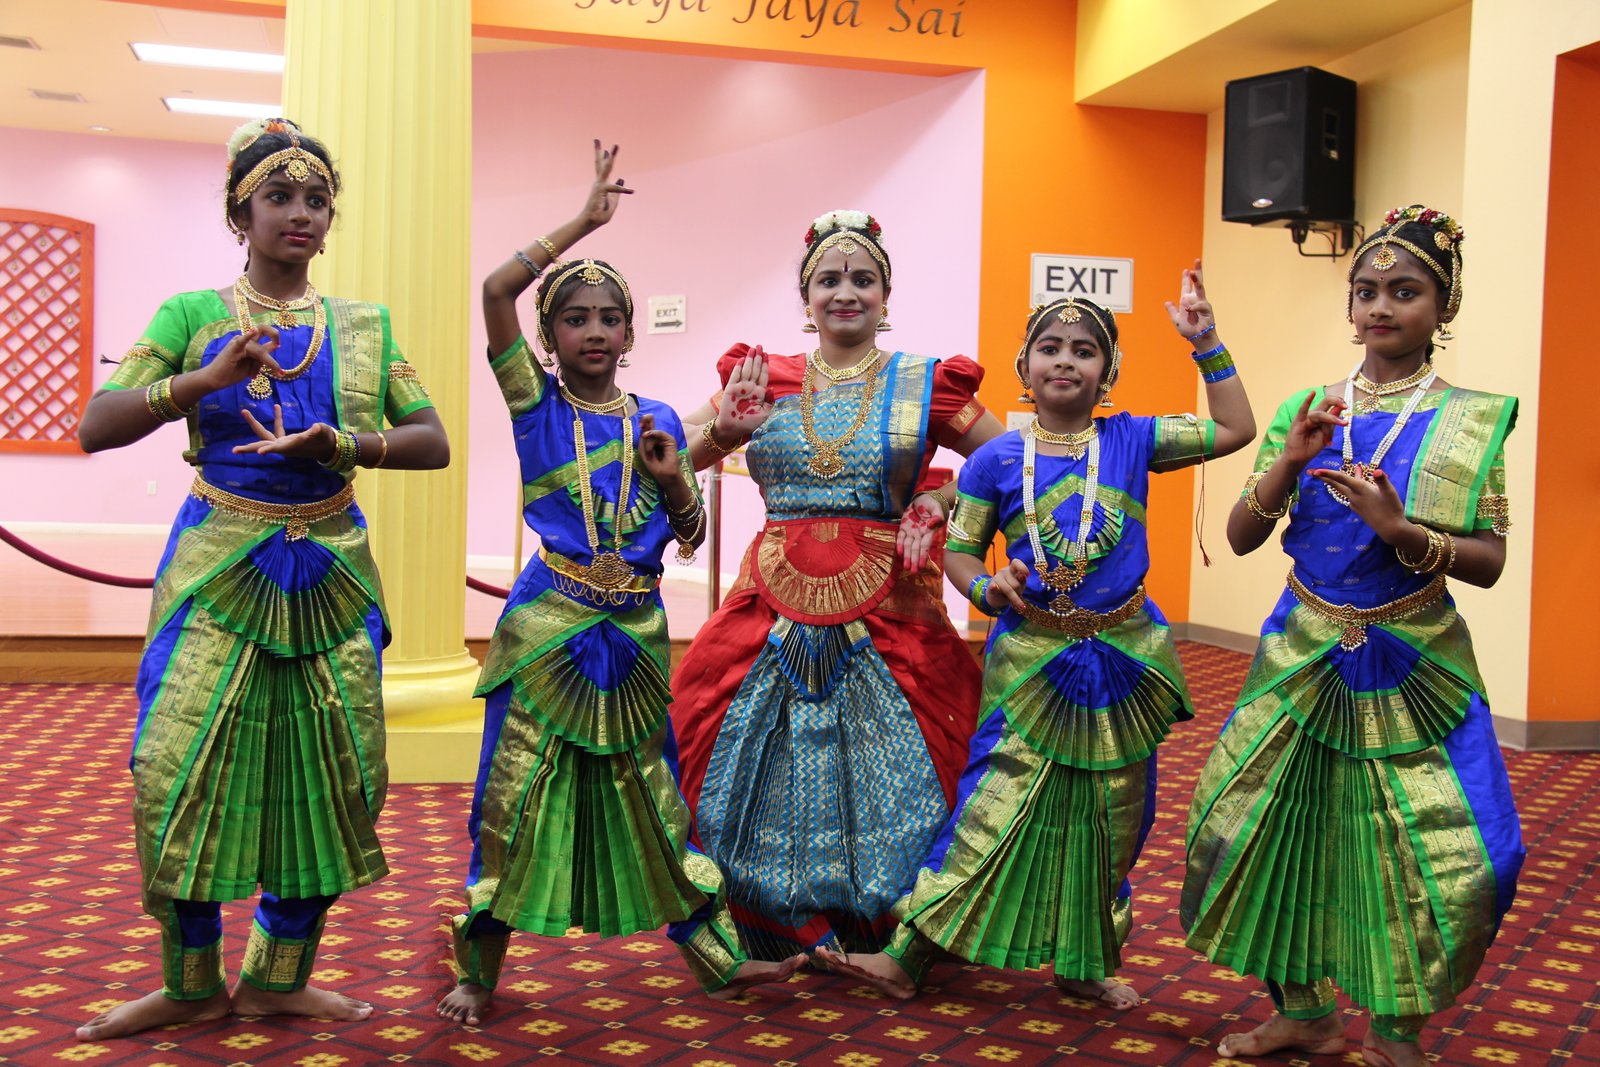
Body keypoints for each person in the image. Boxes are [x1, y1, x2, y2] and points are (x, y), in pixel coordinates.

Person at [72, 118, 450, 1040]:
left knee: (337, 775)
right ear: (240, 210)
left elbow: (431, 440)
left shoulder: (363, 328)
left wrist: (345, 444)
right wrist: (199, 383)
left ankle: (279, 975)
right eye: (279, 196)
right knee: (178, 769)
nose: (301, 213)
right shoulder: (191, 314)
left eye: (317, 199)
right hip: (220, 563)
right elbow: (96, 424)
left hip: (328, 567)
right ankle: (192, 981)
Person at [817, 267, 1257, 1006]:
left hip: (1123, 658)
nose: (1064, 360)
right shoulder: (993, 460)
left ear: (1106, 370)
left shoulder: (1134, 439)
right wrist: (985, 588)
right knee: (992, 803)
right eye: (1049, 347)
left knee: (1113, 814)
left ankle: (1084, 963)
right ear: (1023, 368)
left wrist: (1206, 343)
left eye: (1084, 350)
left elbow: (1237, 428)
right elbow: (961, 551)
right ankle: (910, 953)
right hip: (1029, 658)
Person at [437, 144, 803, 1027]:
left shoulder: (658, 420)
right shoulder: (537, 404)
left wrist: (677, 477)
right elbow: (493, 293)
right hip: (547, 626)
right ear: (549, 338)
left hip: (633, 631)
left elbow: (690, 534)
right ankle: (478, 972)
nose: (594, 331)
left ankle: (716, 958)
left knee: (655, 795)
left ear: (631, 335)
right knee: (513, 794)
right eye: (575, 318)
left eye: (609, 318)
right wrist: (582, 225)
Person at [1181, 206, 1522, 1067]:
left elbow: (1488, 561)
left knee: (1457, 854)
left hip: (1413, 660)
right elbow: (1243, 532)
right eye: (1365, 290)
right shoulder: (1312, 403)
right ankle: (1304, 1011)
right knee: (1255, 829)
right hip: (1300, 650)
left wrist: (1402, 530)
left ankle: (1398, 1029)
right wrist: (1290, 462)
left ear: (1443, 307)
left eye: (1404, 292)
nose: (1379, 307)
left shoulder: (1469, 420)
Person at [669, 210, 1005, 962]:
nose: (845, 291)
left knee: (914, 764)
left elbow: (1013, 460)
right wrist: (722, 430)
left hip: (891, 603)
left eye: (863, 279)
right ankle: (767, 924)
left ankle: (892, 928)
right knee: (725, 745)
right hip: (772, 600)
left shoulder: (930, 383)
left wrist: (940, 501)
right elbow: (670, 455)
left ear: (887, 296)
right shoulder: (762, 375)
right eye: (829, 279)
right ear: (806, 294)